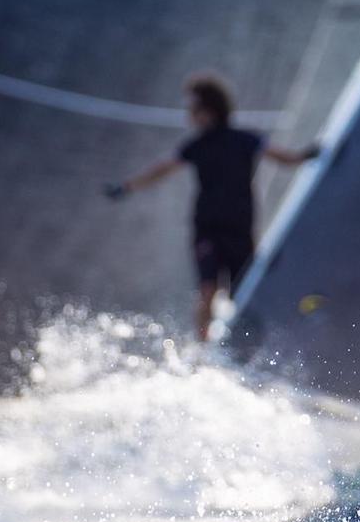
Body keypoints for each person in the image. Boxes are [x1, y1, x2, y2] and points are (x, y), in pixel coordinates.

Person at [106, 73, 318, 340]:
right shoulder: (197, 146)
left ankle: (248, 343)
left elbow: (284, 158)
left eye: (194, 109)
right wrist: (127, 187)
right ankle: (203, 349)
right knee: (208, 289)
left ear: (210, 110)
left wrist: (308, 155)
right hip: (207, 230)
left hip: (239, 230)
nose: (190, 116)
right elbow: (161, 170)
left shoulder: (244, 140)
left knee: (243, 293)